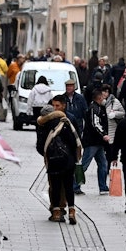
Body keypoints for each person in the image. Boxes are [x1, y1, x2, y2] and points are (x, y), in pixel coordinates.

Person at [36, 95, 82, 223]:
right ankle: (71, 211)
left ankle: (56, 212)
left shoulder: (44, 123)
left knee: (55, 186)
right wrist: (73, 157)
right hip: (68, 160)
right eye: (53, 105)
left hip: (53, 160)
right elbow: (75, 140)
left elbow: (40, 145)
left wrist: (48, 155)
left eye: (57, 105)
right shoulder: (67, 121)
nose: (55, 108)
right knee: (68, 186)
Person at [80, 86, 111, 194]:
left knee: (103, 164)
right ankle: (74, 185)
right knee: (84, 164)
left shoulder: (98, 107)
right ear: (99, 97)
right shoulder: (94, 108)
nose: (104, 97)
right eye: (103, 95)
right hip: (92, 141)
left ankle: (103, 187)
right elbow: (95, 123)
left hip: (98, 142)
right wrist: (103, 134)